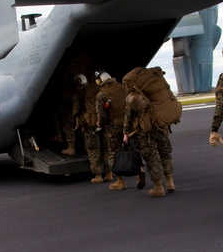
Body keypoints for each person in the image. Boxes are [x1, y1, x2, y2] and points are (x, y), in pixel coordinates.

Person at [122, 69, 176, 198]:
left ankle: (158, 187)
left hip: (146, 132)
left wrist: (125, 133)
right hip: (162, 127)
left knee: (152, 158)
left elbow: (128, 116)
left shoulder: (134, 97)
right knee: (165, 154)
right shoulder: (157, 94)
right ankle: (170, 182)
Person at [96, 71, 145, 190]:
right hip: (129, 125)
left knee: (114, 153)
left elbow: (102, 116)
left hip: (113, 127)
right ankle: (140, 173)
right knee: (133, 149)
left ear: (100, 81)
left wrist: (99, 124)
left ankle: (119, 181)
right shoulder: (123, 88)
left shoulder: (101, 95)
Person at [73, 72, 110, 182]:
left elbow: (76, 110)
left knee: (93, 149)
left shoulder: (81, 92)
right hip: (103, 121)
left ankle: (98, 175)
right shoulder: (100, 89)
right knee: (105, 148)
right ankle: (109, 173)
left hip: (90, 124)